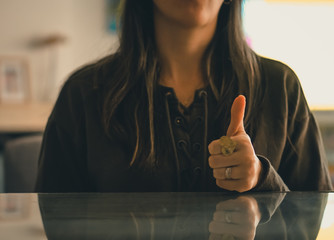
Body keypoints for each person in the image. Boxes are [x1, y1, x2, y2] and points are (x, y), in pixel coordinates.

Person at [35, 0, 332, 192]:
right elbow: (50, 218)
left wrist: (259, 177)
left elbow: (315, 216)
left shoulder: (281, 86)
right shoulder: (84, 93)